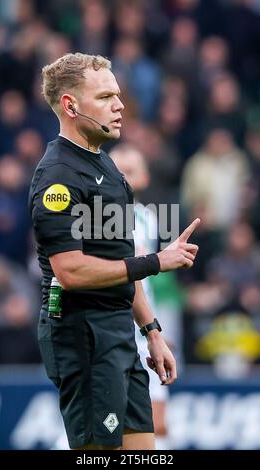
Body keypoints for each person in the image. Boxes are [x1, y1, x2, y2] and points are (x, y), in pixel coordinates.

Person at [29, 52, 200, 450]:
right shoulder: (58, 176)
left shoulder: (108, 170)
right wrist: (157, 261)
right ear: (71, 106)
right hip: (81, 335)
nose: (120, 105)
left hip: (121, 333)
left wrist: (152, 332)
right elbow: (70, 272)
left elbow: (120, 262)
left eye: (118, 95)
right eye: (106, 97)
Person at [110, 143, 177, 449]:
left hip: (142, 330)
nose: (122, 176)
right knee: (112, 426)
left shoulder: (148, 218)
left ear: (145, 179)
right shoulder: (100, 219)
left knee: (157, 424)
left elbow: (146, 283)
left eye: (130, 171)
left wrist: (156, 331)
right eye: (116, 170)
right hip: (112, 333)